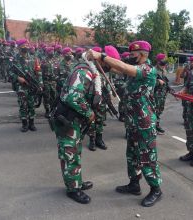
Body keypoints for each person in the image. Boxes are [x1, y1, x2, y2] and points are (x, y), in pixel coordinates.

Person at [88, 40, 162, 207]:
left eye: (134, 54)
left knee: (147, 157)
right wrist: (100, 62)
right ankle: (134, 184)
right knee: (132, 155)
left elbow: (124, 67)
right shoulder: (134, 70)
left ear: (143, 53)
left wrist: (102, 55)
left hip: (144, 122)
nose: (131, 56)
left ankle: (156, 189)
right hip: (132, 121)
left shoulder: (147, 69)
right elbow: (115, 68)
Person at [53, 46, 119, 204]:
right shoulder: (84, 71)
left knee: (75, 153)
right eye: (109, 63)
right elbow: (73, 97)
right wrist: (89, 113)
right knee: (70, 154)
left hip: (74, 119)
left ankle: (76, 181)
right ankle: (72, 189)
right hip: (67, 119)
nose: (111, 67)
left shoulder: (93, 73)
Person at [8, 39, 43, 132]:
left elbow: (38, 72)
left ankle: (31, 123)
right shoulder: (14, 58)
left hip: (31, 85)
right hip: (21, 86)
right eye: (24, 45)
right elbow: (9, 72)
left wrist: (40, 84)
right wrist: (18, 78)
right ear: (19, 47)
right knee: (23, 105)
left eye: (27, 45)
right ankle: (24, 124)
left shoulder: (34, 58)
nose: (26, 47)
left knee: (31, 104)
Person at [87, 46, 107, 151]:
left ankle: (99, 139)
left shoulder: (103, 68)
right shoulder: (87, 67)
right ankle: (92, 140)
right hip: (90, 98)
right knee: (91, 119)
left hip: (101, 98)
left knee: (100, 119)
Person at [153, 53, 174, 135]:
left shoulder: (163, 70)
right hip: (155, 95)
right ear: (158, 61)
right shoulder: (153, 70)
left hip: (162, 95)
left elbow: (165, 82)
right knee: (154, 111)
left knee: (159, 111)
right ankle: (153, 127)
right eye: (162, 61)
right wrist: (158, 82)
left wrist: (170, 89)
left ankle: (157, 125)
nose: (164, 63)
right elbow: (149, 82)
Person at [40, 47, 59, 118]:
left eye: (53, 51)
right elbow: (40, 72)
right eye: (50, 51)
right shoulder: (43, 61)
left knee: (54, 96)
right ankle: (47, 111)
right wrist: (41, 82)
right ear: (47, 53)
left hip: (54, 82)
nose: (52, 53)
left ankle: (53, 110)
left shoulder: (55, 61)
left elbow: (57, 71)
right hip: (46, 82)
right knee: (46, 97)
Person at [180, 56, 193, 125]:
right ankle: (185, 119)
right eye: (191, 62)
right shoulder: (187, 69)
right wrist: (184, 70)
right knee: (185, 105)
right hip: (186, 91)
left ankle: (191, 119)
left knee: (192, 106)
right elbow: (181, 76)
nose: (192, 63)